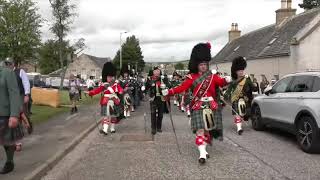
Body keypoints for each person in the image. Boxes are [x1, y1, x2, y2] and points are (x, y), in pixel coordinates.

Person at [162, 43, 231, 164]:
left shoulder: (212, 76)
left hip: (211, 105)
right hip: (198, 106)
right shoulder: (191, 77)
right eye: (201, 64)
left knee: (207, 130)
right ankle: (202, 153)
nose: (203, 67)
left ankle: (204, 146)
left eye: (205, 64)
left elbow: (220, 83)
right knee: (200, 130)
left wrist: (226, 80)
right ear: (197, 65)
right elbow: (181, 87)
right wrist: (170, 91)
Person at [86, 62, 123, 135]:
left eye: (111, 77)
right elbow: (97, 90)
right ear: (106, 77)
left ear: (113, 77)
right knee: (106, 116)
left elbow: (120, 90)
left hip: (114, 101)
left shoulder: (116, 84)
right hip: (106, 102)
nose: (109, 78)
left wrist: (121, 91)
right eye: (108, 77)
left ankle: (112, 128)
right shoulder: (104, 85)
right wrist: (90, 93)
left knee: (113, 116)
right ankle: (105, 130)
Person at [0, 61, 23, 174]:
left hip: (4, 113)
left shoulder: (7, 73)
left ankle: (9, 162)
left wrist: (14, 115)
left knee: (6, 141)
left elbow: (14, 93)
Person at [224, 56, 254, 135]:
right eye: (239, 71)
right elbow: (229, 90)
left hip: (245, 99)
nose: (241, 72)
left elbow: (253, 88)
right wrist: (225, 95)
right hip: (236, 99)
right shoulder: (233, 81)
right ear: (236, 72)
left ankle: (243, 119)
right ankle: (239, 128)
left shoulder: (247, 79)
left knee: (243, 114)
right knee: (237, 114)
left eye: (242, 70)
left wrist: (252, 84)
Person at [144, 66, 170, 135]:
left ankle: (159, 127)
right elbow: (146, 88)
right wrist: (146, 91)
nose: (157, 72)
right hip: (153, 98)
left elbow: (168, 86)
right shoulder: (150, 79)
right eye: (156, 71)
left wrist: (165, 88)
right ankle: (153, 128)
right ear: (153, 72)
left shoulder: (163, 79)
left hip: (161, 98)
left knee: (160, 114)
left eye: (158, 71)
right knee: (153, 114)